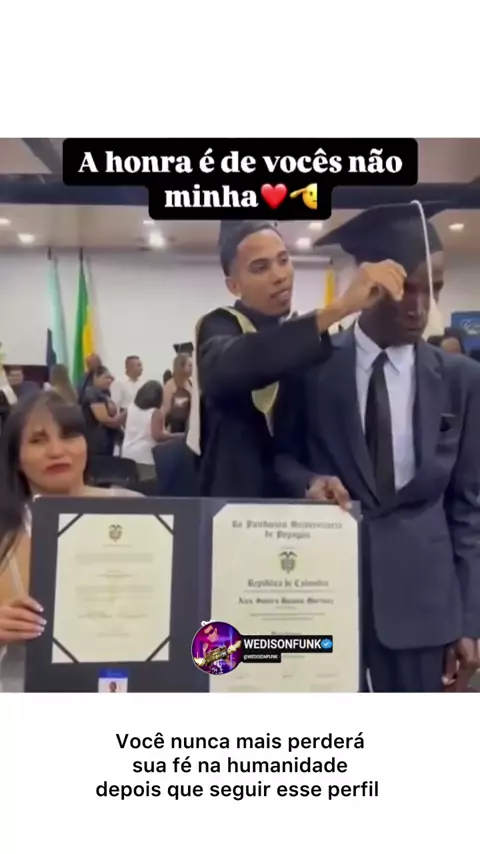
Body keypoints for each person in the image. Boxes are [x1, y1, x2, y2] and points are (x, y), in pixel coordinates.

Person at [275, 202, 480, 692]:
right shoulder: (312, 368)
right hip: (326, 593)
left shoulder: (462, 380)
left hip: (426, 605)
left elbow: (469, 507)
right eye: (404, 287)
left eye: (433, 288)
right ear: (367, 284)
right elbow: (280, 458)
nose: (420, 306)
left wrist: (470, 619)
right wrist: (309, 482)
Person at [189, 219, 405, 499]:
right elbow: (234, 365)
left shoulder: (308, 342)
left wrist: (309, 481)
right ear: (234, 285)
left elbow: (290, 446)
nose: (279, 275)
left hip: (294, 509)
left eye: (283, 260)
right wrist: (340, 307)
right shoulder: (220, 326)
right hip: (231, 503)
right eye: (260, 267)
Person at [0, 391, 140, 678]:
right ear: (15, 458)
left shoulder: (138, 510)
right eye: (38, 440)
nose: (56, 451)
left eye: (69, 435)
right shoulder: (6, 530)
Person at [122, 380, 172, 479]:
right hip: (145, 456)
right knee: (147, 484)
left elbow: (117, 422)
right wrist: (178, 436)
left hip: (127, 454)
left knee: (131, 484)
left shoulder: (131, 408)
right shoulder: (156, 412)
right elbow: (158, 436)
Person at [81, 365, 125, 457]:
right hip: (97, 442)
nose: (110, 381)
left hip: (106, 441)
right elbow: (104, 419)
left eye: (111, 379)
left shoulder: (104, 393)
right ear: (95, 377)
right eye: (106, 378)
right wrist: (126, 415)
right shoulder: (92, 393)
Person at [163, 354, 193, 434]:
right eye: (190, 365)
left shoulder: (191, 383)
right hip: (175, 429)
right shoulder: (170, 386)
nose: (192, 368)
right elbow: (166, 410)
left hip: (189, 426)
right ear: (181, 367)